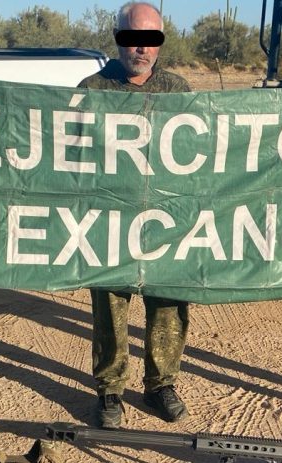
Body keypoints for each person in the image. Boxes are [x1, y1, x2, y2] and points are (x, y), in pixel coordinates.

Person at [77, 2, 192, 429]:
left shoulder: (178, 90)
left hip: (164, 217)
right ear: (116, 37)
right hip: (110, 219)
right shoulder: (92, 88)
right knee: (109, 306)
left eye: (150, 39)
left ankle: (161, 384)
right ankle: (109, 389)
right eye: (131, 38)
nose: (140, 48)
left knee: (167, 304)